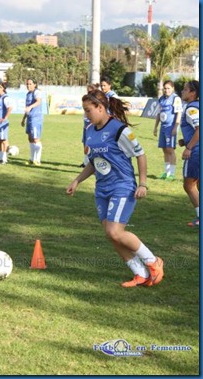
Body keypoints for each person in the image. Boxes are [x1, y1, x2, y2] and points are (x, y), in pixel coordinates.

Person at [66, 89, 164, 288]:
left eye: (88, 110)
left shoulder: (120, 130)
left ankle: (153, 261)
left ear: (100, 108)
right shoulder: (90, 131)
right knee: (110, 234)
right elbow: (94, 162)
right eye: (84, 111)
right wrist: (77, 181)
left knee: (115, 232)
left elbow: (141, 155)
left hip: (122, 186)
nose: (86, 115)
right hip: (102, 189)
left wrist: (142, 183)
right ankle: (140, 273)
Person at [179, 80, 199, 227]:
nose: (182, 91)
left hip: (196, 152)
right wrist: (185, 141)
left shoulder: (191, 108)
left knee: (189, 185)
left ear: (193, 93)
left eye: (185, 90)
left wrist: (189, 147)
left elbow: (199, 129)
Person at [153, 80, 183, 180]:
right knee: (164, 149)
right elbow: (158, 114)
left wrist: (175, 127)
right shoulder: (161, 99)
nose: (166, 90)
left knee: (170, 149)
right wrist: (156, 127)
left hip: (171, 127)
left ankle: (172, 174)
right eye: (165, 88)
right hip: (163, 127)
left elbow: (179, 113)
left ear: (173, 88)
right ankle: (166, 172)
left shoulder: (176, 98)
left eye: (168, 88)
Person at [21, 78, 43, 166]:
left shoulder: (36, 92)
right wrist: (24, 118)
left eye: (30, 84)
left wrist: (30, 107)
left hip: (36, 118)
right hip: (29, 118)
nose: (28, 85)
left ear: (35, 84)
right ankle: (32, 159)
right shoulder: (28, 94)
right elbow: (27, 108)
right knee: (30, 138)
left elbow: (38, 101)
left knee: (36, 139)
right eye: (27, 84)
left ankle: (37, 160)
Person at [80, 83, 100, 168]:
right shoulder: (87, 100)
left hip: (92, 124)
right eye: (87, 91)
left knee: (91, 144)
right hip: (86, 124)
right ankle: (85, 162)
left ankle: (92, 162)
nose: (88, 93)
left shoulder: (96, 101)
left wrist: (91, 123)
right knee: (85, 143)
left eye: (90, 91)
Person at [0, 80, 12, 164]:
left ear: (2, 88)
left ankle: (4, 158)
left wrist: (5, 118)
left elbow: (10, 108)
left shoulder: (5, 98)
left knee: (3, 139)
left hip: (2, 122)